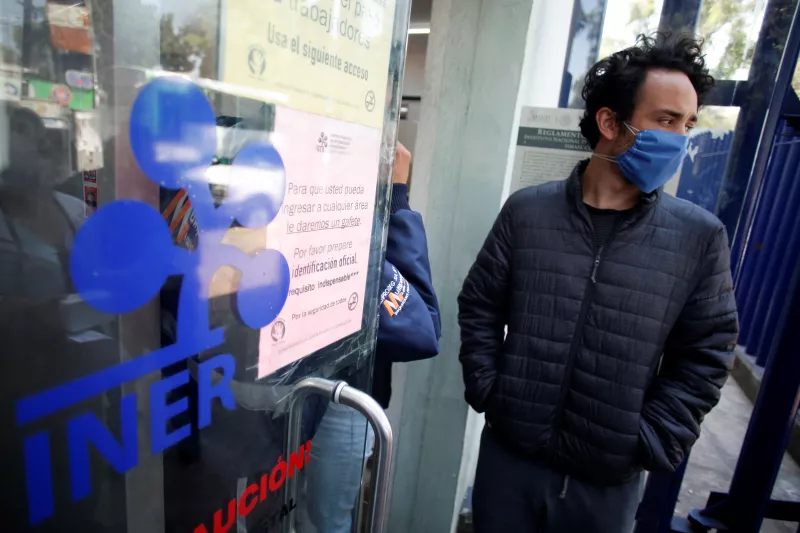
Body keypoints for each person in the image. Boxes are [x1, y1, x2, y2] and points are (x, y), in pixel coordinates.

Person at [458, 34, 739, 533]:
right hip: (509, 464)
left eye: (688, 124)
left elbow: (707, 352)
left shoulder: (698, 237)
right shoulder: (528, 212)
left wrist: (649, 437)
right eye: (666, 120)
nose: (680, 139)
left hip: (605, 487)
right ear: (611, 122)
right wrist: (490, 389)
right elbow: (480, 305)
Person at [298, 141, 441, 533]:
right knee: (282, 511)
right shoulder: (301, 190)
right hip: (286, 388)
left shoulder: (364, 209)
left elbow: (421, 327)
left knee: (323, 519)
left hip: (349, 389)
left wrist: (394, 195)